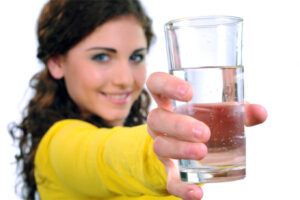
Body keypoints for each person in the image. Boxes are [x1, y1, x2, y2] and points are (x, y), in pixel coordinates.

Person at [9, 0, 268, 200]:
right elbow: (107, 156)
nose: (124, 79)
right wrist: (164, 147)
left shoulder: (167, 164)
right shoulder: (58, 148)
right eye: (101, 57)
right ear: (56, 62)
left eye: (135, 57)